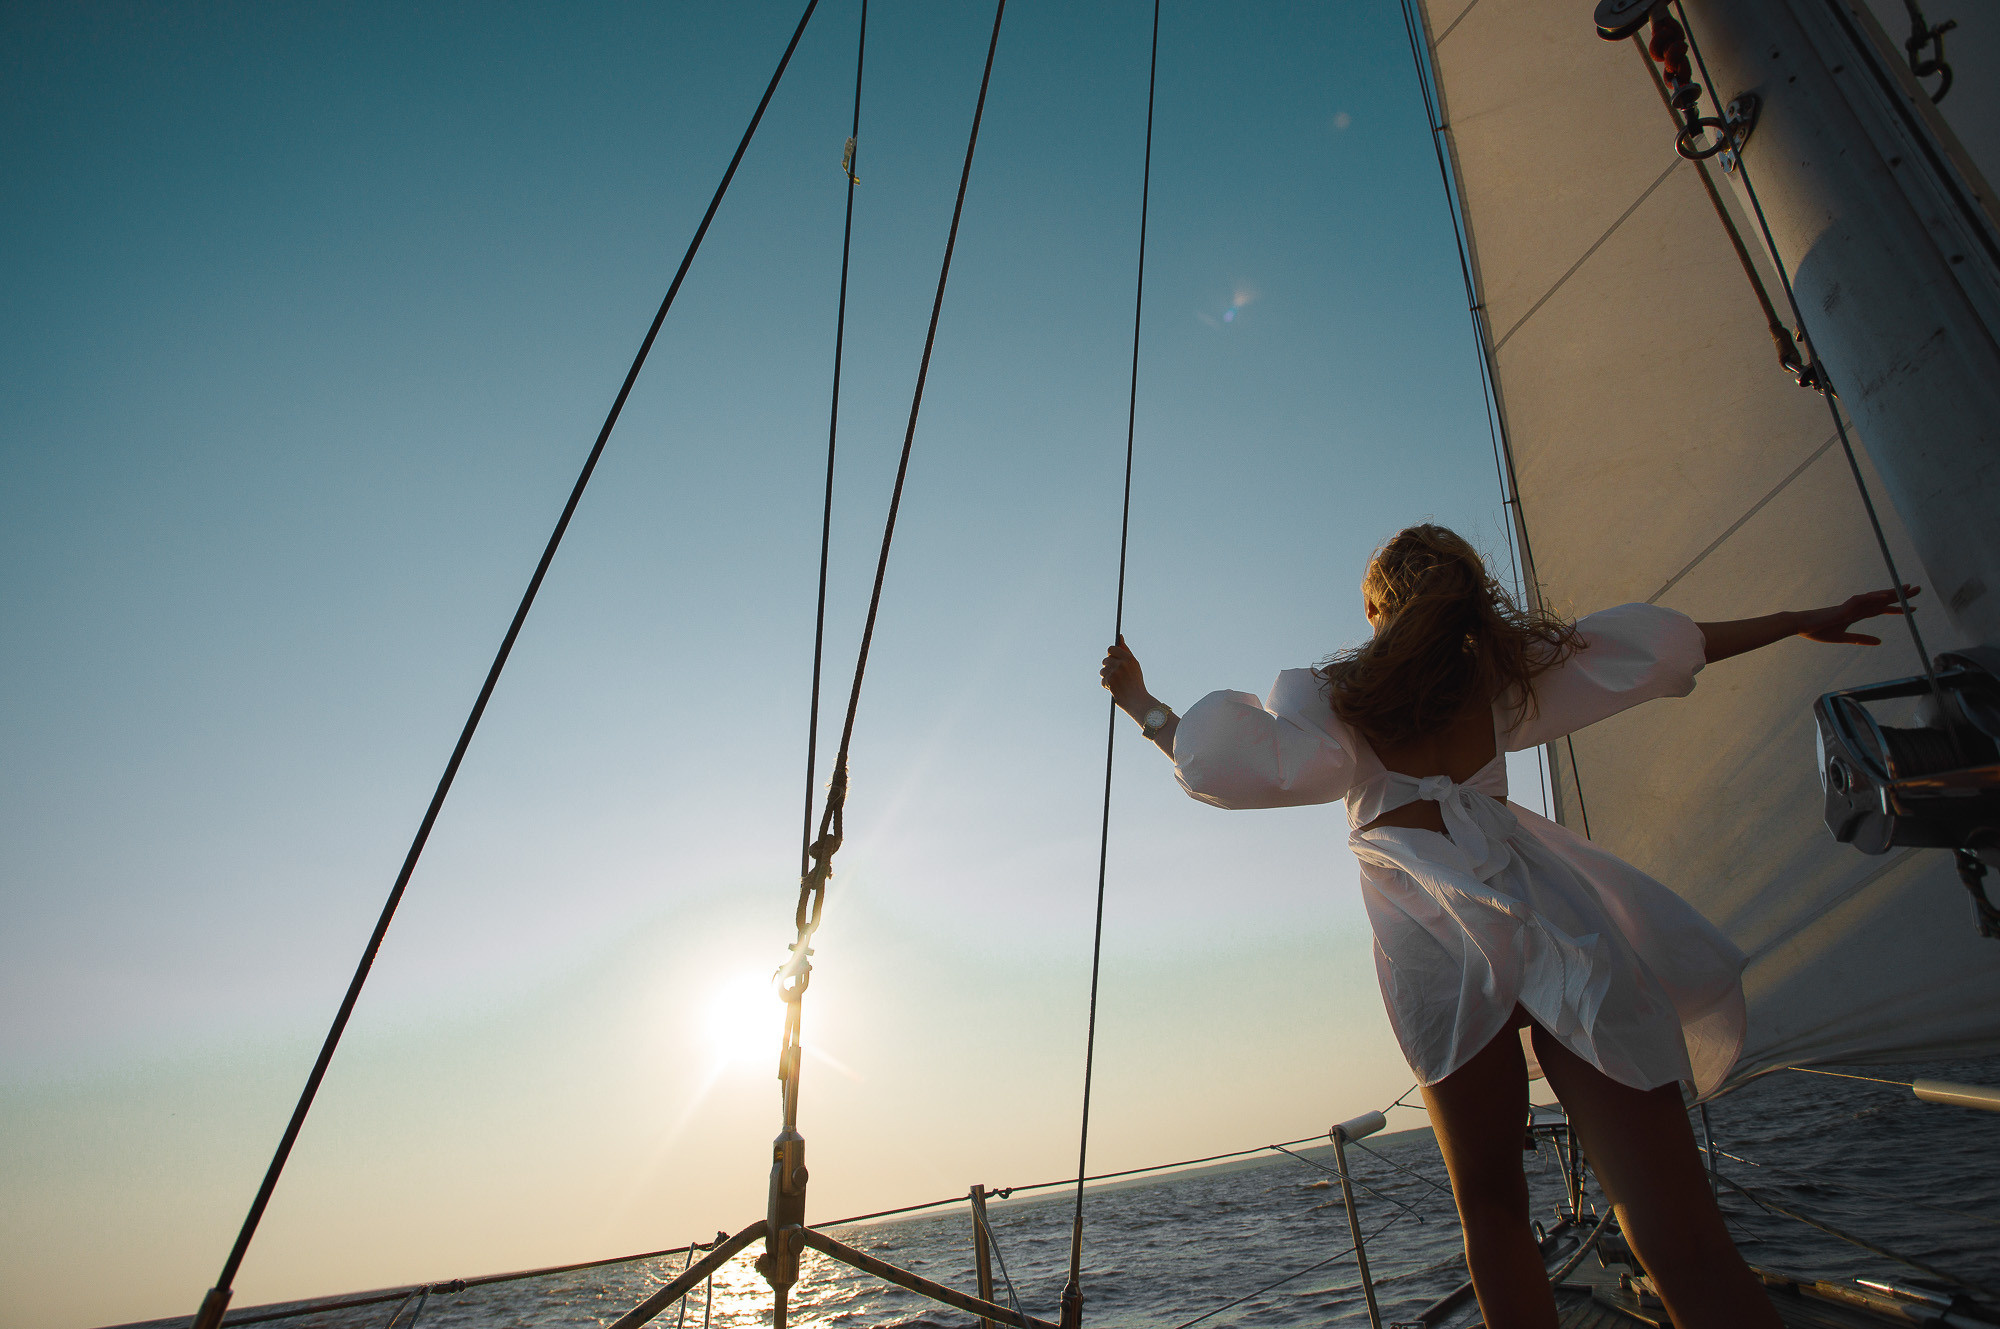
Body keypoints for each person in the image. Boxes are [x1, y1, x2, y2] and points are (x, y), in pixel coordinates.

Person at [1098, 524, 1919, 1329]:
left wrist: (1144, 704)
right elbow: (1658, 649)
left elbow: (1234, 765)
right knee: (1682, 1231)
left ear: (1381, 608)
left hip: (1436, 944)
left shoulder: (1337, 694)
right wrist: (1801, 618)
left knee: (1493, 1213)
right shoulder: (1501, 674)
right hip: (1551, 919)